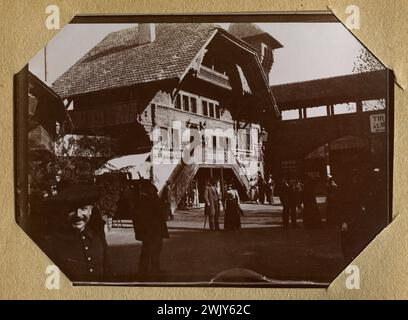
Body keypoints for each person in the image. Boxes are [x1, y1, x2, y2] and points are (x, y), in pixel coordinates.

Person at [40, 183, 110, 282]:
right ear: (63, 211)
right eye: (71, 209)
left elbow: (108, 275)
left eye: (84, 208)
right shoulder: (52, 243)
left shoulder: (98, 239)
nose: (78, 215)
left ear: (90, 210)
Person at [130, 179, 169, 277]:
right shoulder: (147, 200)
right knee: (153, 250)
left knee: (148, 250)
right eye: (152, 189)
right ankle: (150, 271)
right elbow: (159, 210)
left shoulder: (143, 199)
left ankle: (146, 270)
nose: (154, 191)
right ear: (148, 189)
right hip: (153, 230)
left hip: (150, 230)